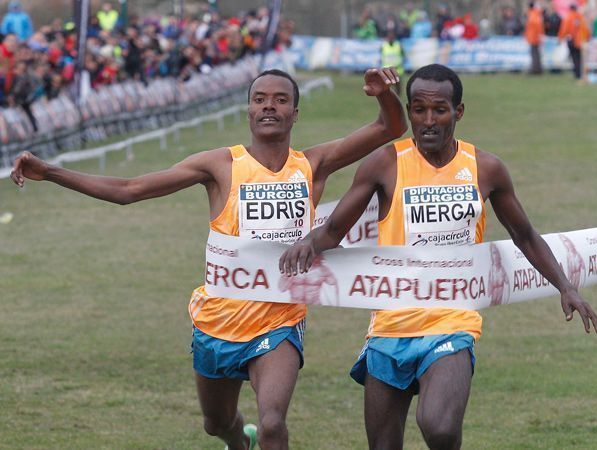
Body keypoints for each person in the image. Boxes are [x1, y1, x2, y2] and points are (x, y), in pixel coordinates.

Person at [10, 67, 407, 450]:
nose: (269, 106)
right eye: (260, 99)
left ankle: (257, 436)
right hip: (218, 320)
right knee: (216, 422)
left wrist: (385, 94)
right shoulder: (220, 166)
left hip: (280, 319)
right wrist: (51, 171)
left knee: (273, 424)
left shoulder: (312, 165)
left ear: (294, 114)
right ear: (248, 111)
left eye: (281, 100)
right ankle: (237, 440)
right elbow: (130, 188)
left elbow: (389, 128)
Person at [279, 64, 597, 450]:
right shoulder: (386, 163)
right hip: (390, 326)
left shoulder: (485, 168)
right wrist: (308, 244)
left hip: (452, 321)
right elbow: (334, 230)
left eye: (439, 110)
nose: (428, 121)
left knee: (440, 427)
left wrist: (566, 287)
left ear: (458, 112)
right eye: (418, 109)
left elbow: (525, 235)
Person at [558, 4, 591, 80]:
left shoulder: (568, 17)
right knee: (579, 57)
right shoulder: (580, 17)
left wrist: (560, 38)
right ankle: (580, 73)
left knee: (574, 57)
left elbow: (564, 29)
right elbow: (585, 29)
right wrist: (587, 37)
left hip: (571, 40)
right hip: (580, 40)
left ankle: (577, 73)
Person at [525, 2, 545, 75]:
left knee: (534, 54)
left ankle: (535, 69)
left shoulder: (532, 15)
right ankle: (537, 69)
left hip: (534, 38)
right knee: (536, 54)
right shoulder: (536, 14)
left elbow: (534, 27)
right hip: (535, 37)